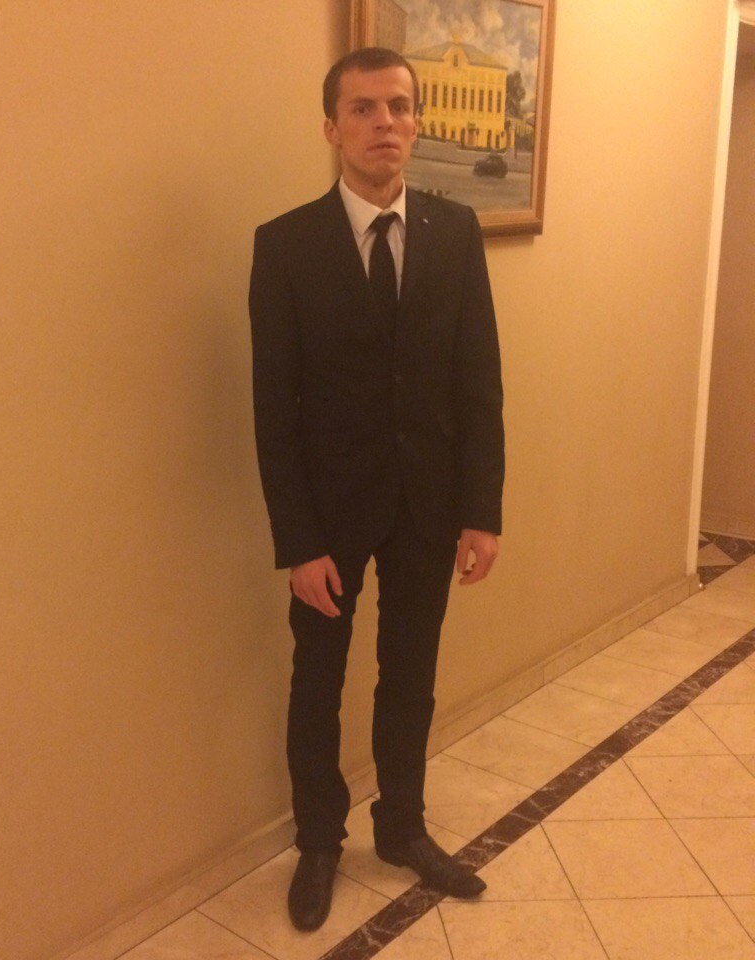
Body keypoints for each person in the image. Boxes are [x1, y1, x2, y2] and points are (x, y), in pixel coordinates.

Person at [249, 46, 504, 932]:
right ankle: (320, 840)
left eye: (397, 106)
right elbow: (273, 409)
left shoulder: (455, 231)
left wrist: (481, 510)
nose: (383, 123)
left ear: (417, 121)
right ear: (332, 128)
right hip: (328, 518)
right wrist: (297, 541)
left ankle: (402, 828)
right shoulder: (285, 245)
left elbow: (479, 382)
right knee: (317, 682)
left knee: (411, 675)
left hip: (428, 507)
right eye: (362, 108)